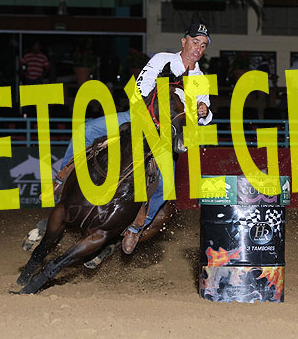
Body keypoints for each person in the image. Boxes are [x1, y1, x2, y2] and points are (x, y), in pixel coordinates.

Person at [56, 22, 213, 255]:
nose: (198, 48)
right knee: (85, 132)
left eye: (203, 45)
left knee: (166, 186)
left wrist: (203, 112)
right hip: (140, 116)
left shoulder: (200, 79)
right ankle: (62, 179)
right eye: (195, 42)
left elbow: (205, 115)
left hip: (166, 135)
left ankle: (137, 225)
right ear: (184, 41)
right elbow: (140, 88)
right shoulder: (162, 60)